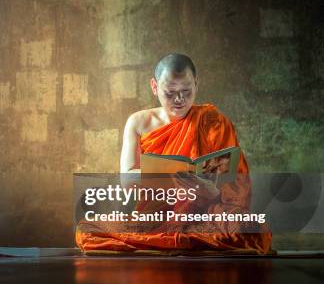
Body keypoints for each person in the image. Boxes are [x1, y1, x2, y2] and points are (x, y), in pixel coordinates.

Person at [76, 53, 272, 254]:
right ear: (154, 87)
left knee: (249, 228)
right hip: (155, 217)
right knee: (88, 228)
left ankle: (172, 243)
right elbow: (126, 181)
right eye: (170, 92)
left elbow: (235, 185)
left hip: (204, 215)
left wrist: (211, 192)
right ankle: (185, 243)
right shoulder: (138, 122)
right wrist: (168, 174)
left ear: (196, 84)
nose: (179, 100)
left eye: (187, 91)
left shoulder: (213, 121)